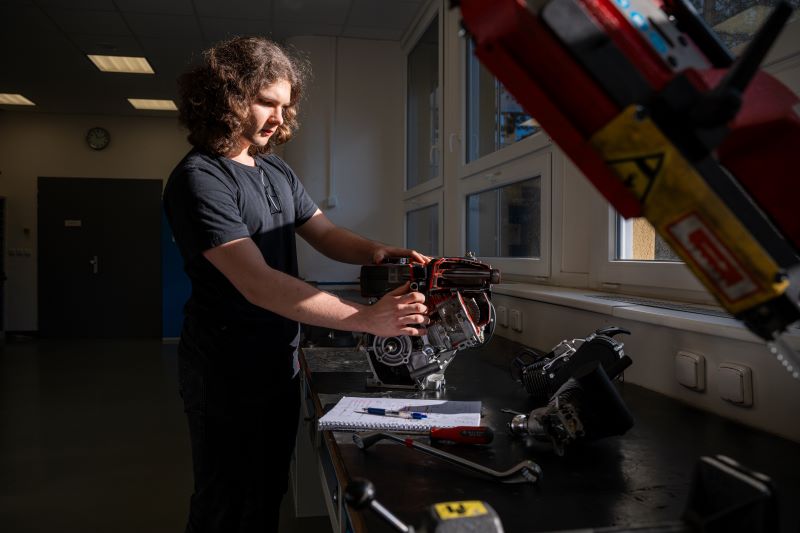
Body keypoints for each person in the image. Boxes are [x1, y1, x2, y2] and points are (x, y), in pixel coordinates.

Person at [163, 36, 430, 533]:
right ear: (228, 97)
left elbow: (324, 233)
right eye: (267, 102)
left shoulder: (274, 169)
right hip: (224, 370)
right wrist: (366, 318)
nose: (279, 118)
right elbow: (259, 284)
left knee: (266, 489)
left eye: (285, 106)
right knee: (226, 499)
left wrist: (375, 250)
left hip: (278, 358)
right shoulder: (200, 179)